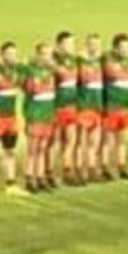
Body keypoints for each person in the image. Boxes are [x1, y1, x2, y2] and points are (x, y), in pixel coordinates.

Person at [0, 43, 26, 197]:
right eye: (10, 54)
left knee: (10, 151)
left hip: (11, 117)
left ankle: (11, 184)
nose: (13, 57)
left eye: (15, 54)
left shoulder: (16, 69)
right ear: (2, 55)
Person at [22, 43, 57, 193]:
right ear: (38, 55)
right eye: (44, 54)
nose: (48, 58)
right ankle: (30, 179)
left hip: (47, 115)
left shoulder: (50, 71)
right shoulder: (31, 71)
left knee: (42, 148)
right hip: (35, 115)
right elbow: (29, 88)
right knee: (33, 149)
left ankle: (40, 177)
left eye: (50, 54)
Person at [102, 33, 128, 180]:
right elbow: (114, 74)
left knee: (122, 138)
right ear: (115, 48)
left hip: (125, 105)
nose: (126, 50)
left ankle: (122, 167)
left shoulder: (127, 61)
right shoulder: (109, 59)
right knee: (109, 139)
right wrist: (126, 69)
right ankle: (105, 168)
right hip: (111, 104)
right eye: (123, 47)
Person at [75, 35, 104, 184]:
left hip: (97, 106)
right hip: (84, 106)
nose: (95, 47)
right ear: (87, 45)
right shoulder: (80, 61)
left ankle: (92, 170)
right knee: (81, 141)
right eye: (92, 44)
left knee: (94, 141)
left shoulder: (101, 60)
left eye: (97, 44)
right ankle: (80, 171)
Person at [52, 32, 80, 185]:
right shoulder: (53, 59)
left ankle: (67, 171)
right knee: (55, 142)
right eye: (67, 44)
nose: (70, 47)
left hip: (71, 105)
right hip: (57, 106)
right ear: (59, 45)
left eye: (72, 44)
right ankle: (48, 173)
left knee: (71, 140)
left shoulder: (73, 60)